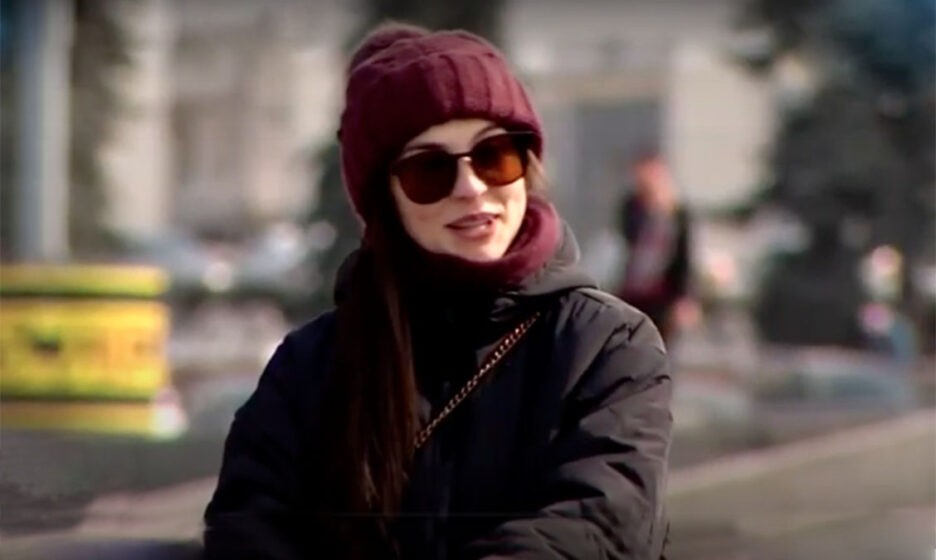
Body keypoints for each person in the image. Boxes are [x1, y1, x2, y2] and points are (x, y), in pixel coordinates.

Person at [203, 22, 673, 560]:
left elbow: (599, 524)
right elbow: (249, 527)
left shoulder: (607, 346)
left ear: (527, 168)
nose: (471, 188)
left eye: (494, 155)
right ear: (386, 201)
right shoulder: (312, 365)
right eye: (429, 170)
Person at [615, 149, 698, 345]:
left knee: (660, 346)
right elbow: (626, 241)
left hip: (664, 295)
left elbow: (685, 257)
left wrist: (686, 297)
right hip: (633, 291)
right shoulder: (631, 207)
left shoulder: (677, 213)